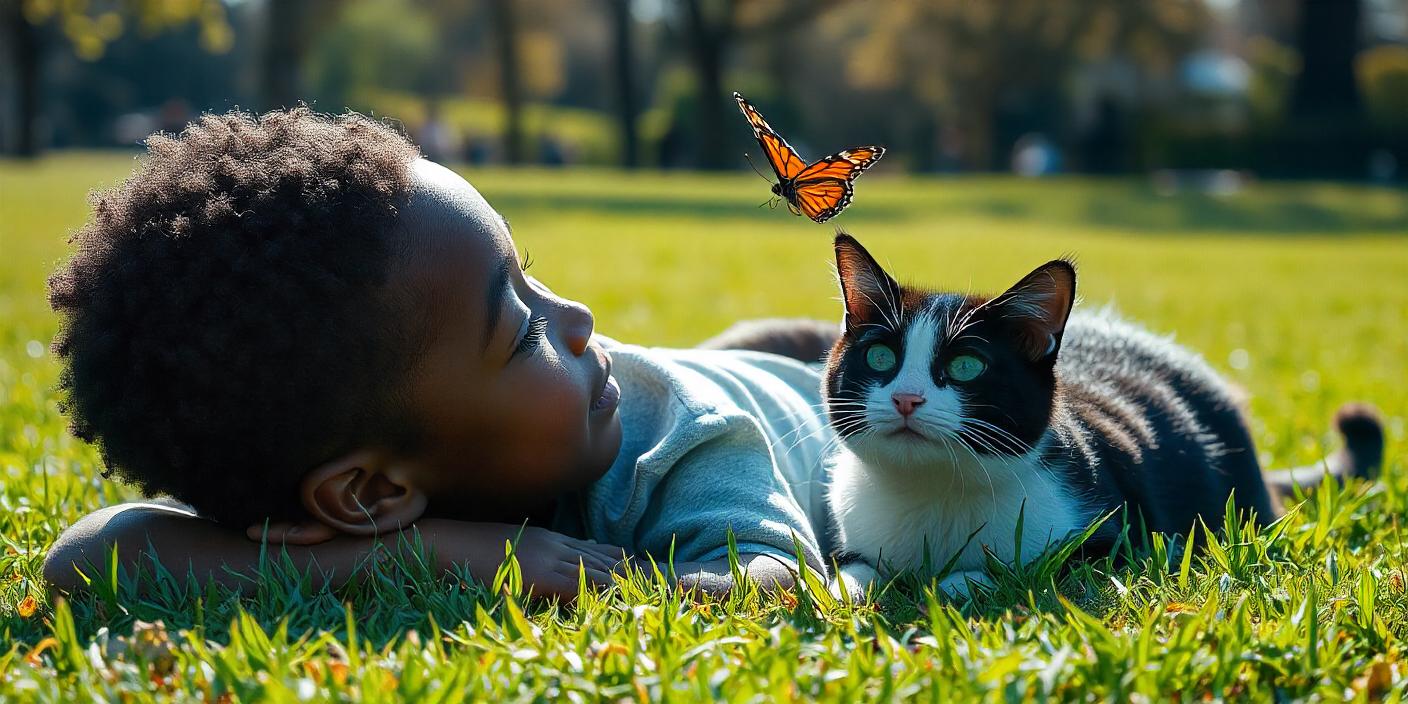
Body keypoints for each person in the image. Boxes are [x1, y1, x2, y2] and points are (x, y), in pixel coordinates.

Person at [42, 108, 840, 600]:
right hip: (723, 373)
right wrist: (419, 558)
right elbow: (87, 557)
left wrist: (602, 585)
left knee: (791, 356)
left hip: (817, 408)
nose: (579, 316)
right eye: (523, 329)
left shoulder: (682, 439)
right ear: (369, 495)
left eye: (531, 279)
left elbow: (776, 584)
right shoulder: (297, 446)